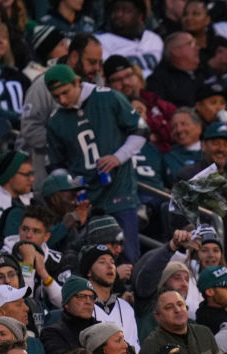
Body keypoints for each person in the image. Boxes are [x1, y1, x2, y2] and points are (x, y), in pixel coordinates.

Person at [44, 64, 149, 262]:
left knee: (127, 257)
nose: (62, 100)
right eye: (56, 97)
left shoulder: (108, 97)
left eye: (65, 92)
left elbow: (141, 130)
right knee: (91, 259)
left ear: (77, 82)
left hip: (119, 192)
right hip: (85, 199)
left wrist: (118, 156)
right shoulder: (55, 120)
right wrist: (68, 186)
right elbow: (55, 164)